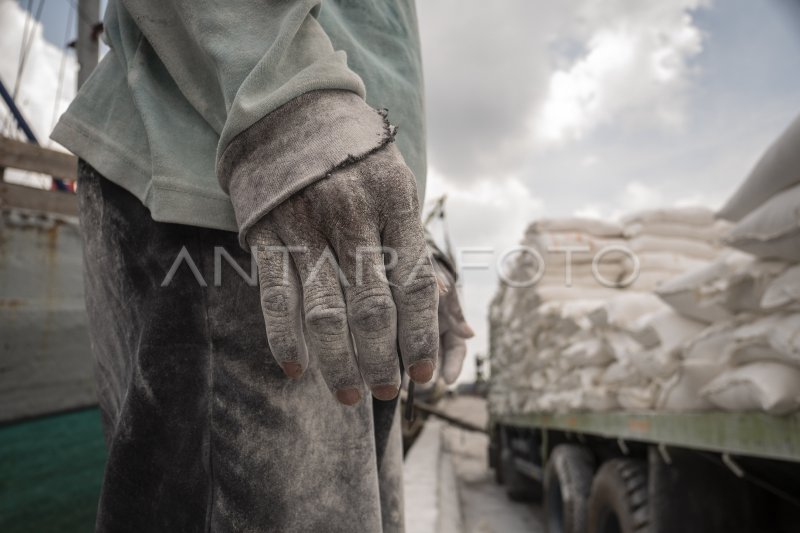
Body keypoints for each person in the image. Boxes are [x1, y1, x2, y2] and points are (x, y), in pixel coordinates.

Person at [51, 1, 474, 532]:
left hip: (334, 197)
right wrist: (288, 108)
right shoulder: (285, 126)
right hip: (241, 181)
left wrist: (411, 243)